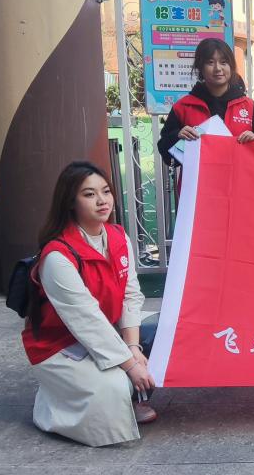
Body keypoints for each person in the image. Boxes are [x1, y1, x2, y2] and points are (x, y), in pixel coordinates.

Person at [21, 162, 156, 446]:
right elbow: (86, 320)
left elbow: (131, 295)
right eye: (89, 194)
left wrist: (133, 347)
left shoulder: (117, 236)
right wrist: (131, 365)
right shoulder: (58, 256)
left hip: (106, 331)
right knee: (118, 384)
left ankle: (120, 396)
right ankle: (52, 403)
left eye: (106, 191)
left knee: (163, 338)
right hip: (61, 345)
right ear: (70, 202)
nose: (102, 200)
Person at [157, 38, 254, 178]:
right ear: (200, 67)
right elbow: (166, 155)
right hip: (197, 187)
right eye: (210, 62)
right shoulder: (183, 107)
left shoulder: (249, 106)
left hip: (240, 184)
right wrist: (177, 136)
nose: (218, 68)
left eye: (224, 62)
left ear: (231, 66)